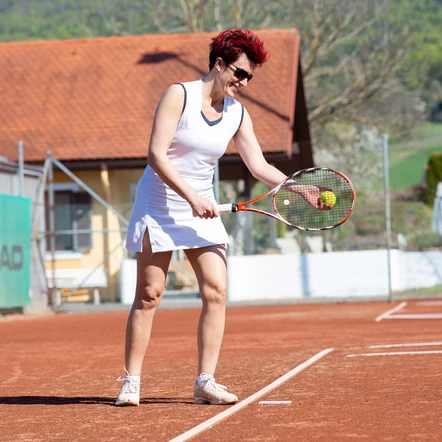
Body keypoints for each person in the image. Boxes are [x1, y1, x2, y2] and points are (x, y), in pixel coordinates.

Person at [116, 28, 328, 407]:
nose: (244, 83)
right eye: (240, 74)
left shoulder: (237, 113)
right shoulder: (177, 95)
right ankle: (131, 381)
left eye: (249, 77)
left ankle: (205, 381)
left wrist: (300, 189)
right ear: (218, 64)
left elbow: (259, 165)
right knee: (149, 295)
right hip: (160, 202)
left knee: (217, 291)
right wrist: (191, 196)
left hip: (202, 206)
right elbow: (156, 155)